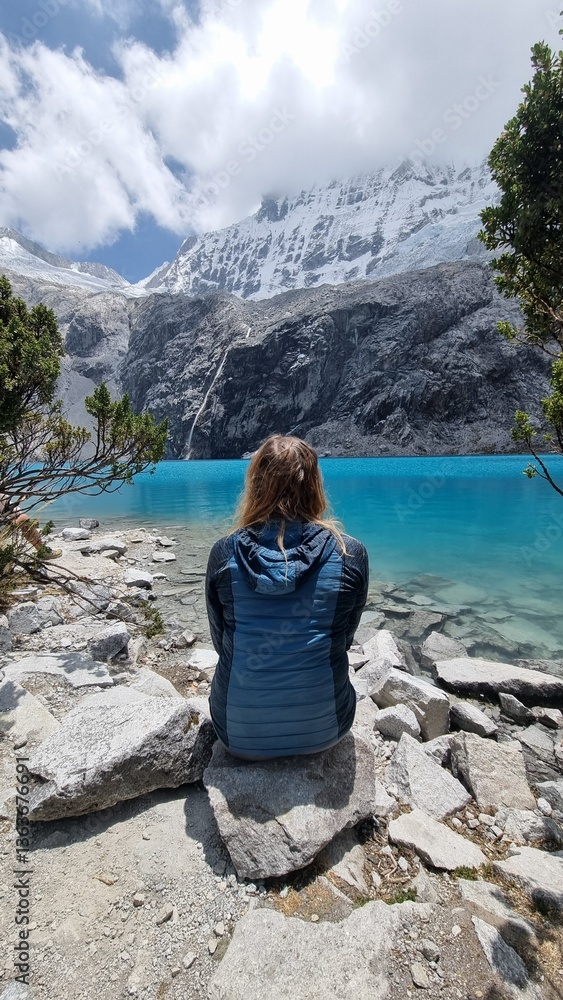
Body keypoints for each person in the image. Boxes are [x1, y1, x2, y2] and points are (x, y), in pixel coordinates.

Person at [205, 434, 369, 760]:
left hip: (237, 734)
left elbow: (221, 641)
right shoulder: (350, 554)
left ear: (256, 485)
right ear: (315, 486)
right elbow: (344, 638)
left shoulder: (225, 553)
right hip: (326, 730)